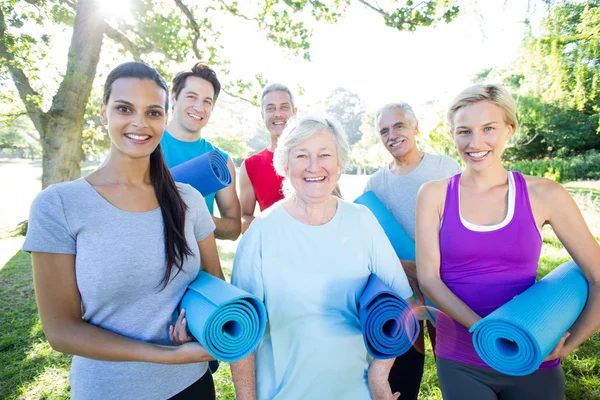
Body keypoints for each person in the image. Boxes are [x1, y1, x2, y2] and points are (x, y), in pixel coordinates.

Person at [24, 62, 226, 399]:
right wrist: (167, 355)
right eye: (124, 108)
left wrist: (201, 325)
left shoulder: (189, 200)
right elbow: (60, 330)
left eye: (153, 112)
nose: (139, 122)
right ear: (103, 113)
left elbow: (214, 285)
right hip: (110, 389)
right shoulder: (57, 205)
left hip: (191, 384)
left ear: (165, 117)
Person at [416, 83, 600, 400]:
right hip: (460, 358)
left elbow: (597, 276)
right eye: (464, 131)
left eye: (489, 128)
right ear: (452, 135)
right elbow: (429, 280)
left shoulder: (545, 194)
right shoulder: (433, 194)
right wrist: (487, 333)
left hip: (531, 357)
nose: (476, 143)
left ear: (509, 129)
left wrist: (569, 343)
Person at [230, 113, 414, 400]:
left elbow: (404, 302)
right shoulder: (261, 231)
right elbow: (241, 331)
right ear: (285, 164)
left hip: (357, 392)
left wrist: (380, 374)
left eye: (325, 154)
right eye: (301, 155)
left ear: (339, 162)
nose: (314, 166)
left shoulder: (362, 221)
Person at [365, 102, 461, 399]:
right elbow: (372, 239)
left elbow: (460, 222)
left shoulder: (444, 167)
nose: (391, 135)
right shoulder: (376, 183)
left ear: (415, 127)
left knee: (452, 360)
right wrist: (402, 267)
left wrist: (434, 268)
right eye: (384, 130)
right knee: (406, 363)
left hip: (445, 279)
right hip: (401, 282)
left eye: (399, 126)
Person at [162, 61, 241, 240]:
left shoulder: (221, 161)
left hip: (200, 266)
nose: (199, 107)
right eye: (191, 96)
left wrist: (199, 217)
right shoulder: (147, 146)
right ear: (173, 98)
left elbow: (234, 228)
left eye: (207, 101)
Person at [239, 83, 296, 233]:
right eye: (270, 108)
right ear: (262, 115)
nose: (277, 114)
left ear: (294, 112)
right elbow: (244, 221)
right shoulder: (250, 165)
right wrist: (280, 226)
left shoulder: (313, 156)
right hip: (272, 252)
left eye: (284, 107)